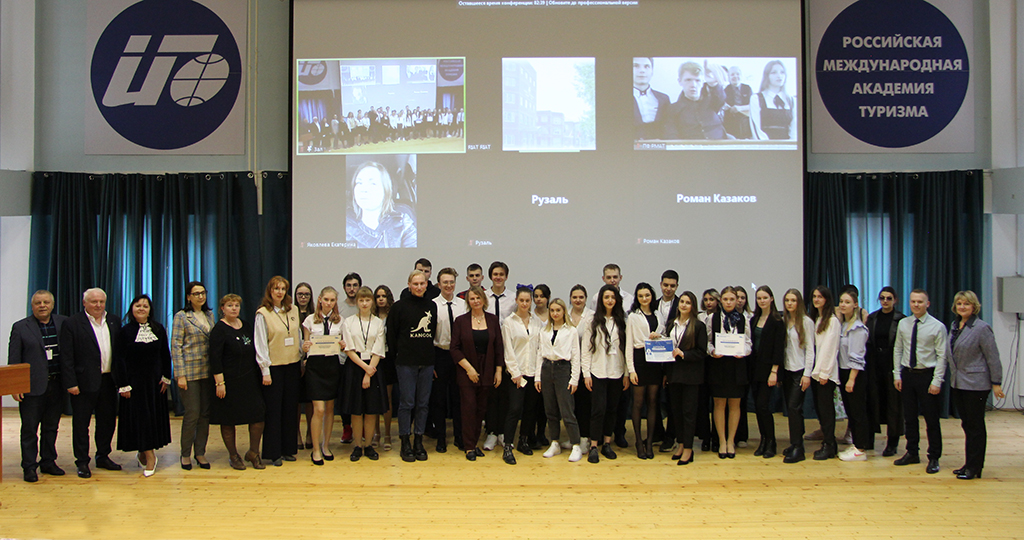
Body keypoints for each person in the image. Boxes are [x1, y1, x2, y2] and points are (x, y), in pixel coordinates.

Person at [60, 288, 123, 478]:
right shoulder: (72, 323)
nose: (98, 305)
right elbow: (66, 356)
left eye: (101, 301)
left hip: (108, 380)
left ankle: (103, 456)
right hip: (82, 382)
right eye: (94, 301)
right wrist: (70, 382)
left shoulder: (114, 321)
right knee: (81, 424)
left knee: (107, 421)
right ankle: (82, 461)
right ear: (84, 303)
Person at [8, 290, 68, 482]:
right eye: (38, 303)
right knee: (29, 429)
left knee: (51, 427)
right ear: (32, 305)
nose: (42, 306)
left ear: (52, 304)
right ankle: (29, 466)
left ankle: (48, 462)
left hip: (57, 384)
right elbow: (14, 358)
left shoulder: (63, 323)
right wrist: (15, 386)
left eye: (46, 302)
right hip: (31, 387)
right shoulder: (20, 327)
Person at [947, 290, 1004, 479]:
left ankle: (975, 467)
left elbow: (993, 357)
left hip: (977, 384)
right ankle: (969, 463)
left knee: (975, 426)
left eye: (966, 304)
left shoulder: (982, 328)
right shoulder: (955, 326)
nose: (962, 307)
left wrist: (996, 383)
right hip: (958, 383)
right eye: (959, 304)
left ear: (974, 306)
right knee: (967, 425)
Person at [114, 295, 172, 477]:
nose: (141, 308)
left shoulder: (158, 329)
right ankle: (150, 456)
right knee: (140, 419)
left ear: (150, 310)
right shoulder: (125, 331)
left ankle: (145, 451)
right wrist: (123, 385)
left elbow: (165, 354)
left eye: (145, 306)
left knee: (150, 419)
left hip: (155, 384)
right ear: (132, 309)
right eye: (138, 305)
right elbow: (119, 359)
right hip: (134, 384)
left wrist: (166, 377)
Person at [892, 289, 947, 474]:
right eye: (913, 301)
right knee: (909, 417)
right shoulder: (904, 324)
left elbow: (942, 356)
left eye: (920, 302)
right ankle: (912, 452)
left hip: (927, 375)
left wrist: (937, 381)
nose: (916, 305)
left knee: (931, 419)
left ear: (927, 304)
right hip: (908, 374)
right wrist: (897, 374)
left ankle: (934, 457)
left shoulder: (937, 327)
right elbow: (898, 349)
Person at [210, 294, 266, 470]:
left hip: (249, 380)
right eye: (230, 305)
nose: (234, 308)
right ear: (222, 309)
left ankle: (253, 452)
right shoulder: (219, 330)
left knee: (258, 416)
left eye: (236, 305)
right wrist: (219, 383)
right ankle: (233, 455)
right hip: (228, 382)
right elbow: (215, 358)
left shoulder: (246, 326)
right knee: (228, 420)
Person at [387, 270, 437, 462]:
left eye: (422, 284)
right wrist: (398, 357)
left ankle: (418, 440)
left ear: (426, 285)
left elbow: (432, 332)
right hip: (406, 363)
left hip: (426, 362)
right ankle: (405, 441)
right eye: (415, 284)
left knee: (423, 404)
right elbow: (391, 335)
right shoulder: (399, 307)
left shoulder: (431, 306)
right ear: (409, 285)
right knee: (407, 403)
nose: (419, 287)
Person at [450, 286, 504, 461]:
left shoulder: (493, 320)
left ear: (484, 300)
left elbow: (498, 347)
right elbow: (454, 348)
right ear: (468, 301)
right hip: (467, 370)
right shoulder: (460, 321)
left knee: (481, 410)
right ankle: (468, 447)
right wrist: (469, 369)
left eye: (478, 298)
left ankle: (474, 443)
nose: (475, 301)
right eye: (472, 299)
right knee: (469, 408)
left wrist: (498, 370)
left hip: (487, 369)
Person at [255, 276, 303, 467]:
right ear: (270, 291)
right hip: (273, 367)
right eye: (276, 289)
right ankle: (273, 452)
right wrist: (265, 370)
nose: (280, 292)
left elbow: (297, 335)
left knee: (290, 409)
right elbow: (260, 343)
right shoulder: (263, 314)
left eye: (283, 289)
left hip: (292, 364)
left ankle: (287, 449)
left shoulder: (293, 310)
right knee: (274, 410)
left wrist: (302, 354)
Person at [171, 281, 216, 471]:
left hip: (207, 371)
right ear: (189, 296)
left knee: (205, 414)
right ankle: (185, 454)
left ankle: (200, 452)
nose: (200, 296)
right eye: (196, 293)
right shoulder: (181, 316)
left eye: (203, 293)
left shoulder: (209, 315)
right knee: (192, 414)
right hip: (189, 372)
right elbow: (176, 346)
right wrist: (180, 374)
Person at [581, 284, 629, 463]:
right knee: (598, 410)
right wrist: (586, 374)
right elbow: (586, 349)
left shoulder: (622, 321)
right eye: (606, 297)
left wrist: (626, 373)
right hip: (597, 372)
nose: (610, 300)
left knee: (612, 409)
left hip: (616, 372)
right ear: (601, 300)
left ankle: (607, 443)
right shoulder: (592, 321)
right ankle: (594, 445)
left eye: (612, 297)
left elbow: (626, 350)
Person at [299, 286, 346, 465]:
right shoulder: (309, 320)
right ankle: (316, 449)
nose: (328, 303)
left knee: (329, 408)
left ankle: (326, 446)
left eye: (332, 300)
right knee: (318, 409)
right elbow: (305, 345)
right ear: (320, 299)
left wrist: (343, 345)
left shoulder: (340, 321)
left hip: (332, 366)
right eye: (326, 299)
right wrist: (305, 347)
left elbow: (344, 344)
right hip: (315, 367)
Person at [342, 287, 388, 461]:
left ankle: (368, 445)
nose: (364, 303)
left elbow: (378, 349)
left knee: (371, 410)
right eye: (361, 300)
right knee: (356, 410)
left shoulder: (378, 323)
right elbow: (349, 349)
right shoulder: (349, 322)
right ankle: (357, 446)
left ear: (372, 302)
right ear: (357, 302)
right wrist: (364, 368)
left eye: (367, 300)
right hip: (355, 366)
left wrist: (369, 373)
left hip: (373, 367)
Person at [536, 298, 584, 462]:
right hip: (547, 369)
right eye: (552, 310)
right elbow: (539, 354)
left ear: (564, 312)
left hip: (563, 369)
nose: (555, 313)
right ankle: (555, 442)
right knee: (550, 410)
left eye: (558, 310)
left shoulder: (571, 331)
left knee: (567, 410)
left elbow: (576, 356)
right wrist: (538, 377)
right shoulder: (544, 331)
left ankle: (576, 444)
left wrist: (574, 379)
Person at [706, 286, 751, 459]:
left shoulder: (744, 318)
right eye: (725, 299)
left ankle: (731, 440)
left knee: (734, 404)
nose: (729, 302)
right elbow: (708, 341)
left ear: (737, 300)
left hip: (737, 366)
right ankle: (722, 441)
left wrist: (744, 352)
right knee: (719, 404)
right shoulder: (712, 318)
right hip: (718, 365)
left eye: (732, 299)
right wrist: (712, 351)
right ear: (720, 301)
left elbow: (748, 342)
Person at [501, 287, 542, 463]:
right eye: (522, 300)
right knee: (514, 409)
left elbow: (540, 350)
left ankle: (523, 440)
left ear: (531, 302)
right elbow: (508, 350)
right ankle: (507, 446)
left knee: (530, 409)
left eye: (527, 301)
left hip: (533, 372)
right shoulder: (509, 322)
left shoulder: (537, 322)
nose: (525, 304)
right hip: (516, 374)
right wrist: (515, 374)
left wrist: (538, 376)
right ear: (516, 301)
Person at [665, 292, 707, 465]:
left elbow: (702, 352)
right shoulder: (671, 324)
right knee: (676, 412)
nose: (683, 305)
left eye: (687, 302)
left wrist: (684, 354)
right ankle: (681, 444)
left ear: (693, 306)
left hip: (691, 376)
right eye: (681, 301)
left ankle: (689, 449)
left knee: (689, 413)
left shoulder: (698, 326)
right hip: (674, 375)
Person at [429, 268, 466, 453]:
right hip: (440, 355)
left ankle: (459, 437)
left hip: (459, 355)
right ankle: (441, 438)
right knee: (439, 399)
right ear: (439, 284)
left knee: (458, 398)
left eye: (451, 282)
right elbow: (428, 336)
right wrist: (432, 363)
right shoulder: (432, 305)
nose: (449, 285)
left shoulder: (463, 305)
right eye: (445, 282)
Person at [625, 282, 663, 459]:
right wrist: (631, 370)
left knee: (653, 402)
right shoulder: (633, 316)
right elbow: (629, 345)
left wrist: (658, 335)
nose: (644, 298)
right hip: (639, 359)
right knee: (638, 403)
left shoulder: (658, 314)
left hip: (655, 360)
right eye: (640, 296)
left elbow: (664, 335)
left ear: (652, 296)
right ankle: (639, 442)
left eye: (647, 295)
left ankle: (649, 443)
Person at [865, 287, 906, 457]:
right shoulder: (873, 317)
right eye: (882, 298)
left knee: (893, 405)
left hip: (892, 365)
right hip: (874, 364)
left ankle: (892, 443)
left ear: (895, 300)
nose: (885, 301)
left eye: (889, 298)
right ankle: (869, 440)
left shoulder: (901, 320)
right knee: (873, 401)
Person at [346, 161, 416, 249]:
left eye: (373, 183)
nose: (363, 189)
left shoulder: (403, 223)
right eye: (359, 183)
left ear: (386, 191)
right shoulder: (345, 222)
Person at [749, 286, 785, 459]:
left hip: (769, 369)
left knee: (764, 406)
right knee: (757, 407)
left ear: (771, 299)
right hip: (754, 369)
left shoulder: (777, 321)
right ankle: (763, 440)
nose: (762, 301)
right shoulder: (754, 319)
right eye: (759, 298)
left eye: (765, 298)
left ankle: (771, 442)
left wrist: (774, 371)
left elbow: (778, 348)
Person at [836, 289, 871, 462]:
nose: (843, 305)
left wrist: (851, 379)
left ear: (855, 305)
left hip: (853, 374)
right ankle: (856, 443)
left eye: (847, 302)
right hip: (843, 371)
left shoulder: (858, 328)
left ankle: (860, 448)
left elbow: (857, 356)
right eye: (841, 301)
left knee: (857, 412)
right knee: (850, 411)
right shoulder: (844, 325)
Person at [780, 289, 815, 463]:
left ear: (799, 302)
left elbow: (810, 350)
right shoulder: (784, 320)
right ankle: (795, 443)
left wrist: (807, 374)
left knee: (794, 407)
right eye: (787, 300)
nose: (790, 303)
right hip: (787, 370)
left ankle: (798, 448)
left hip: (800, 371)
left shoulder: (806, 322)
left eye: (793, 300)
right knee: (792, 409)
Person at [808, 286, 840, 460]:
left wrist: (824, 372)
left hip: (825, 373)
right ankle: (830, 442)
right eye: (814, 296)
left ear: (827, 299)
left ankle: (829, 444)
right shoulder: (816, 319)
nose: (816, 299)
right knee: (821, 409)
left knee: (826, 411)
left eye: (820, 297)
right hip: (815, 372)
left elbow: (830, 348)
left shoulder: (832, 321)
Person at [665, 61, 727, 140]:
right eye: (688, 80)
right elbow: (671, 136)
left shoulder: (712, 101)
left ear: (702, 82)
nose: (693, 85)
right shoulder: (673, 109)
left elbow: (720, 98)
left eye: (698, 80)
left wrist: (713, 84)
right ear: (680, 81)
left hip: (720, 145)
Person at [568, 284, 593, 450]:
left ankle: (585, 438)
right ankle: (574, 438)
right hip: (567, 366)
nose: (578, 300)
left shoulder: (592, 316)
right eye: (575, 297)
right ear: (570, 298)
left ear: (586, 299)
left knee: (584, 404)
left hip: (585, 366)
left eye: (581, 297)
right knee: (571, 404)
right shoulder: (565, 315)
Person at [373, 285, 396, 450]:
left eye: (384, 296)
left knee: (387, 398)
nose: (381, 299)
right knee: (373, 398)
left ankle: (387, 434)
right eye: (378, 296)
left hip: (388, 359)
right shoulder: (371, 317)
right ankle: (376, 433)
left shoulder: (393, 316)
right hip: (374, 359)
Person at [750, 60, 796, 141]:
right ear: (767, 76)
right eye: (774, 72)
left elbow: (794, 130)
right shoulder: (756, 98)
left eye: (782, 72)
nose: (779, 76)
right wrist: (769, 146)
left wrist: (791, 145)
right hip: (765, 146)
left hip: (788, 147)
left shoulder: (791, 100)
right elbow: (757, 130)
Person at [293, 282, 315, 451]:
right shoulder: (290, 314)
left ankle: (309, 433)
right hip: (293, 362)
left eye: (306, 294)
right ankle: (297, 435)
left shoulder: (315, 315)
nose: (303, 297)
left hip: (311, 363)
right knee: (295, 401)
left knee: (310, 401)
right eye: (300, 294)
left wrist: (308, 359)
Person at [633, 57, 671, 140]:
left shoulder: (664, 99)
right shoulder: (619, 99)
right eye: (636, 66)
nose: (642, 71)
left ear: (652, 71)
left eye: (646, 66)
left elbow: (669, 127)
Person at [723, 66, 753, 139]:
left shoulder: (747, 88)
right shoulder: (724, 90)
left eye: (737, 74)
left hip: (746, 123)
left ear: (741, 76)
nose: (735, 76)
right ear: (728, 77)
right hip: (731, 124)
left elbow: (753, 105)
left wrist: (740, 108)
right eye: (732, 74)